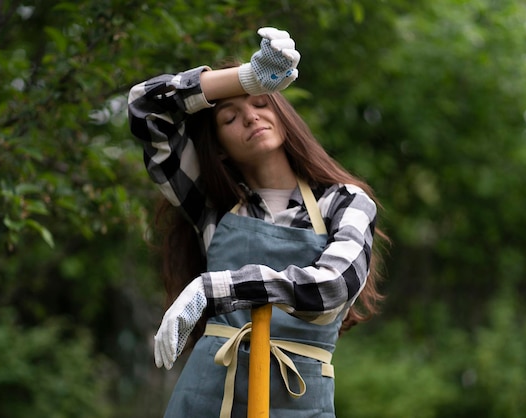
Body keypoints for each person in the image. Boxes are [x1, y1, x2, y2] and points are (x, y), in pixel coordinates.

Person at [128, 26, 387, 418]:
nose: (250, 117)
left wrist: (213, 290)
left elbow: (333, 286)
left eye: (261, 103)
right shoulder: (213, 208)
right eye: (230, 117)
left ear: (284, 116)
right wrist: (246, 78)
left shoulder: (344, 202)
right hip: (204, 401)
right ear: (220, 149)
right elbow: (144, 107)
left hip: (296, 404)